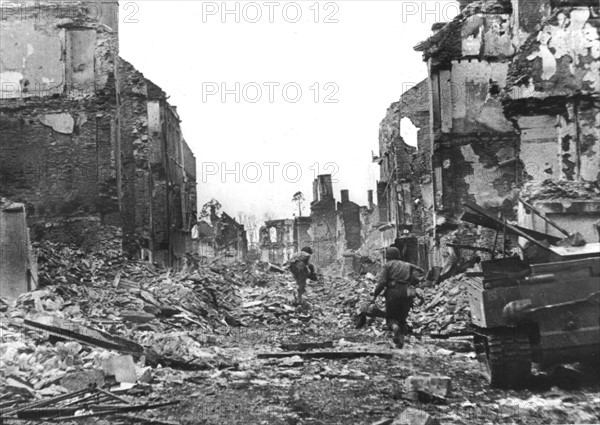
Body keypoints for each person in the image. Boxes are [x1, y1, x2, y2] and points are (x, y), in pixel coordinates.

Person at [370, 247, 424, 348]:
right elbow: (421, 272)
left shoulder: (387, 265)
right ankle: (400, 342)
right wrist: (412, 283)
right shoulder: (407, 265)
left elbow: (381, 282)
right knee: (402, 318)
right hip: (406, 292)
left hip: (392, 292)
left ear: (388, 257)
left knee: (391, 317)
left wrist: (375, 295)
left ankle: (395, 328)